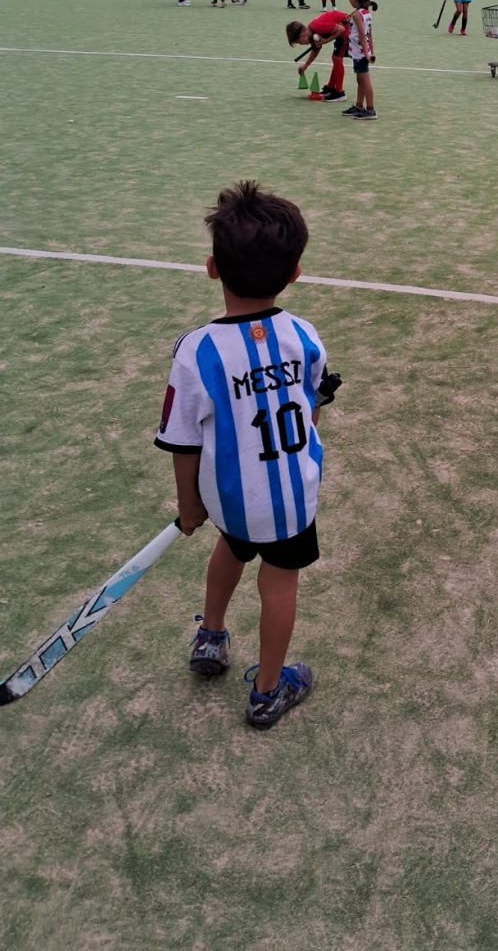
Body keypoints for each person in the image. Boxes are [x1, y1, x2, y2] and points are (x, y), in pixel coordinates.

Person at [154, 180, 339, 730]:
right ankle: (266, 691)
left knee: (230, 551)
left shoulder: (198, 350)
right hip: (291, 501)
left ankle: (211, 634)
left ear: (213, 267)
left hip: (230, 500)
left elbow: (182, 442)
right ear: (295, 272)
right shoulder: (304, 335)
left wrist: (190, 506)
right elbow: (311, 409)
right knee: (279, 584)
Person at [286, 6, 368, 102]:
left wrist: (325, 41)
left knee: (337, 59)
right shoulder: (311, 33)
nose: (300, 44)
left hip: (347, 29)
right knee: (335, 58)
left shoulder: (318, 26)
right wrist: (305, 66)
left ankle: (339, 92)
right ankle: (331, 87)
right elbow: (316, 49)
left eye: (299, 42)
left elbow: (341, 29)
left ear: (302, 35)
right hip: (341, 32)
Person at [340, 0, 378, 121]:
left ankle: (370, 109)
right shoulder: (366, 13)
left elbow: (363, 34)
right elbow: (370, 34)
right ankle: (359, 106)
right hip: (361, 53)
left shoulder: (357, 15)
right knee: (360, 80)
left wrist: (367, 54)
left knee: (364, 80)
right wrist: (371, 51)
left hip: (360, 53)